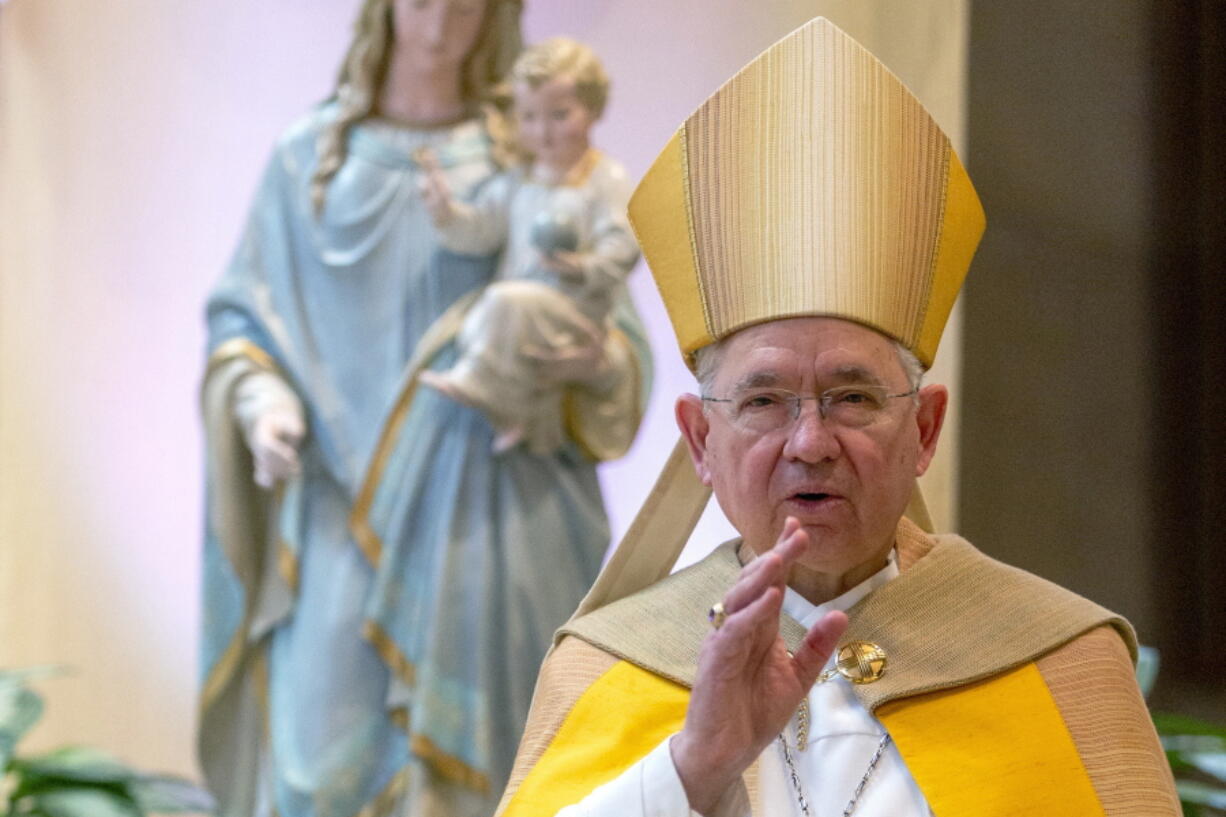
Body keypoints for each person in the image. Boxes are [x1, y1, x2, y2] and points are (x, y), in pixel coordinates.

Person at [495, 18, 1180, 817]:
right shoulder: (609, 664)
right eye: (762, 402)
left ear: (923, 430)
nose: (811, 443)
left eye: (853, 397)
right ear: (699, 439)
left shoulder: (1060, 660)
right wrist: (692, 767)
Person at [199, 2, 650, 816]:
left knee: (506, 765)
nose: (442, 17)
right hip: (341, 506)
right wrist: (262, 400)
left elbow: (604, 317)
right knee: (320, 766)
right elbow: (242, 316)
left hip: (491, 514)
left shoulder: (530, 150)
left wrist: (598, 362)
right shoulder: (310, 161)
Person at [418, 37, 639, 455]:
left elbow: (624, 243)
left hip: (574, 312)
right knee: (486, 314)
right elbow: (481, 229)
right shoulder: (517, 180)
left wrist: (583, 267)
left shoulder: (603, 179)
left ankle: (478, 383)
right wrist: (445, 211)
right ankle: (515, 412)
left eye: (559, 115)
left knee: (503, 302)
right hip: (520, 310)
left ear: (593, 110)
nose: (543, 131)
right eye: (529, 117)